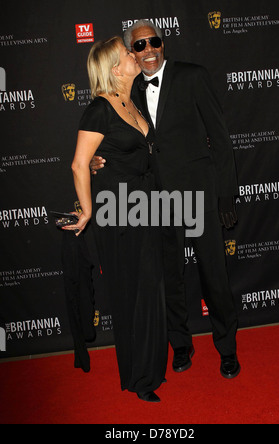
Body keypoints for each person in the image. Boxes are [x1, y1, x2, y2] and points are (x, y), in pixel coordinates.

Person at [91, 20, 241, 379]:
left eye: (153, 42)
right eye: (139, 46)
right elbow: (124, 140)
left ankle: (227, 347)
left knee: (214, 275)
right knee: (170, 277)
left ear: (163, 43)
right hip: (158, 200)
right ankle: (181, 345)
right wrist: (99, 160)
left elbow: (220, 139)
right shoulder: (128, 91)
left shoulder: (194, 76)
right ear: (131, 52)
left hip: (200, 194)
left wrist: (225, 195)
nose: (148, 50)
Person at [64, 36, 168, 402]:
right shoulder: (99, 109)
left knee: (151, 289)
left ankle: (152, 368)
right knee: (131, 294)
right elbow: (79, 163)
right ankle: (139, 377)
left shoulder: (132, 101)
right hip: (118, 212)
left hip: (148, 206)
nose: (135, 55)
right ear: (113, 67)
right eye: (128, 52)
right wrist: (89, 209)